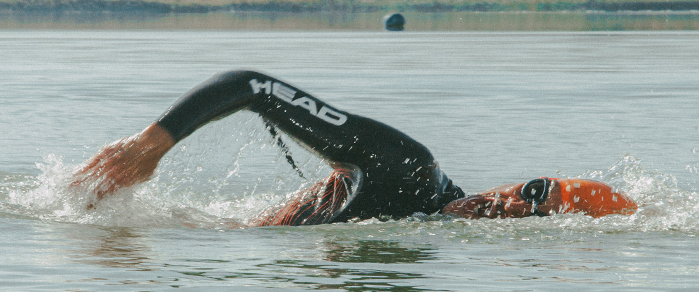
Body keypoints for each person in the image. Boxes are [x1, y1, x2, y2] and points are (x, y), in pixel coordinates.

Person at [73, 70, 637, 226]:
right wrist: (149, 148)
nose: (516, 206)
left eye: (538, 215)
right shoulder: (408, 169)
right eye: (535, 190)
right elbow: (250, 85)